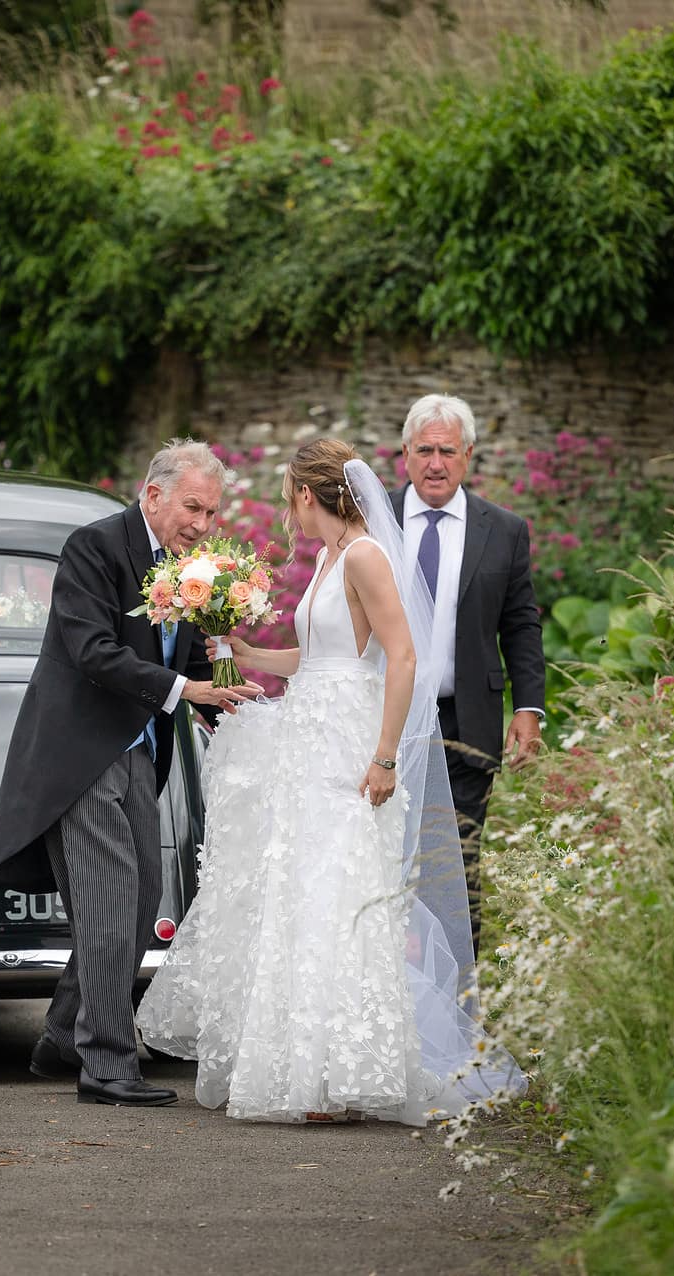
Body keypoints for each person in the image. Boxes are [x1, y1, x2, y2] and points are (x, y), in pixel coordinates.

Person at [137, 438, 523, 1125]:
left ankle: (345, 1076)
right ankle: (306, 1071)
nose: (288, 516)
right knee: (301, 892)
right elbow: (318, 659)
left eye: (290, 501)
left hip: (348, 748)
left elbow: (402, 659)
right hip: (307, 739)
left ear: (309, 497)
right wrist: (250, 652)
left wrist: (383, 756)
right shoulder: (329, 558)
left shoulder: (369, 555)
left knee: (339, 894)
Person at [0, 439, 262, 1108]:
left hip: (139, 751)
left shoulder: (194, 569)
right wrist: (183, 691)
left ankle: (61, 1036)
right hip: (78, 755)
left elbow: (193, 657)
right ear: (154, 492)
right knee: (107, 903)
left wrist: (231, 699)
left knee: (139, 906)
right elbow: (91, 651)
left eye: (212, 512)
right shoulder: (94, 548)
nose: (201, 523)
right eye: (192, 506)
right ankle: (105, 1065)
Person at [388, 394, 546, 945]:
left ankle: (458, 1007)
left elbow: (521, 625)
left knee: (454, 867)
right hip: (382, 720)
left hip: (464, 725)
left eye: (447, 451)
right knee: (380, 860)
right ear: (404, 453)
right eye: (425, 450)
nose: (436, 463)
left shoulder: (501, 529)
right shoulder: (370, 519)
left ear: (469, 455)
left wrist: (528, 708)